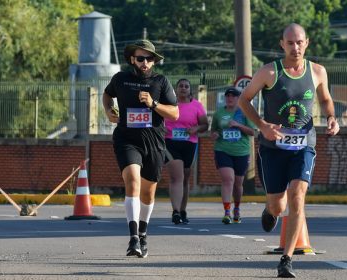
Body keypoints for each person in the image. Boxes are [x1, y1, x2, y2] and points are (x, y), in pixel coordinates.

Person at [238, 23, 340, 278]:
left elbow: (326, 99)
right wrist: (262, 125)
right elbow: (243, 100)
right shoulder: (269, 72)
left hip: (304, 145)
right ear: (282, 44)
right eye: (290, 43)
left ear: (307, 43)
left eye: (299, 42)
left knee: (297, 194)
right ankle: (269, 210)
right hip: (273, 148)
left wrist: (331, 117)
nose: (295, 47)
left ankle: (286, 260)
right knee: (277, 204)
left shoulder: (317, 71)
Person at [102, 39, 179, 258]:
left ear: (154, 61)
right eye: (141, 58)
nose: (145, 62)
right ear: (132, 59)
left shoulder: (161, 82)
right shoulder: (121, 79)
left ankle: (143, 234)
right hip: (127, 139)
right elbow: (107, 95)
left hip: (154, 141)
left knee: (148, 191)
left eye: (150, 58)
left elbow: (175, 113)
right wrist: (108, 112)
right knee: (132, 181)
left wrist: (153, 104)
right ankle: (134, 237)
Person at [164, 78, 208, 224]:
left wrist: (196, 129)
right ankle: (175, 211)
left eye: (186, 86)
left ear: (190, 89)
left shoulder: (197, 106)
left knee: (185, 178)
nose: (183, 88)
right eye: (181, 86)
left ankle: (183, 210)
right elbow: (156, 120)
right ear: (176, 89)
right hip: (170, 142)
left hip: (190, 144)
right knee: (177, 176)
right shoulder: (168, 104)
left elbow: (205, 125)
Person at [210, 87, 255, 224]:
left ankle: (237, 208)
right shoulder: (219, 113)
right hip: (222, 150)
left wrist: (238, 125)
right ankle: (227, 212)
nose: (230, 98)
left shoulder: (245, 113)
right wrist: (215, 134)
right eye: (228, 96)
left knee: (238, 184)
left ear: (239, 98)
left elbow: (253, 132)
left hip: (241, 151)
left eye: (234, 96)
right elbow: (213, 131)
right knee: (228, 179)